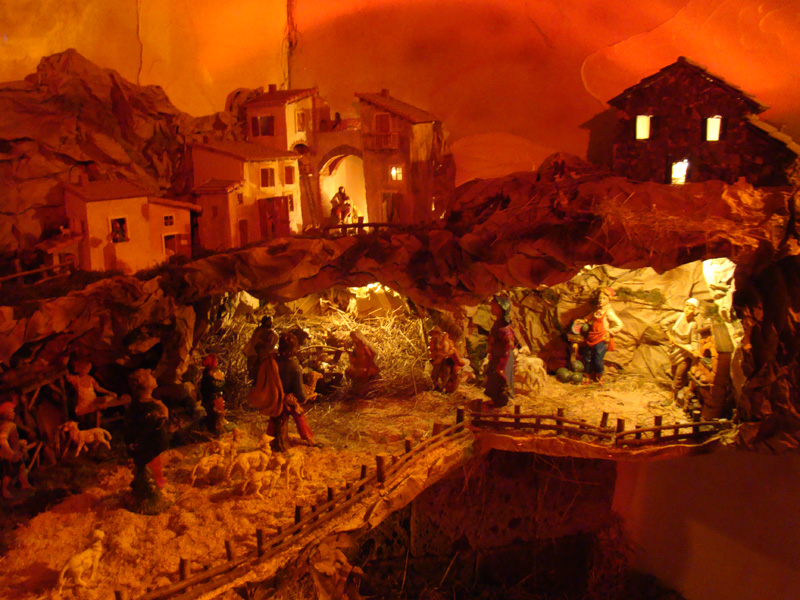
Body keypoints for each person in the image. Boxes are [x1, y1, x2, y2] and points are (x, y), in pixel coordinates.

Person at [124, 369, 170, 490]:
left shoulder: (138, 405)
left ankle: (152, 481)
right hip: (148, 447)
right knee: (150, 469)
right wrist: (164, 411)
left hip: (146, 447)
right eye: (150, 375)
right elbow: (160, 426)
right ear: (142, 382)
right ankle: (149, 486)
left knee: (154, 466)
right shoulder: (152, 408)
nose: (153, 376)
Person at [275, 332, 316, 447]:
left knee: (275, 419)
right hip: (288, 399)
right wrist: (304, 398)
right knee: (299, 416)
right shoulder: (295, 368)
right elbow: (298, 391)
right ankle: (309, 438)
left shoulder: (274, 363)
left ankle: (271, 437)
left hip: (276, 397)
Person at [582, 287, 623, 384]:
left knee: (597, 359)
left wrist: (609, 331)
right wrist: (583, 320)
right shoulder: (598, 309)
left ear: (609, 299)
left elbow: (620, 324)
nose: (601, 300)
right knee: (588, 357)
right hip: (592, 336)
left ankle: (600, 376)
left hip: (601, 338)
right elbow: (590, 316)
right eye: (600, 298)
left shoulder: (609, 311)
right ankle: (587, 375)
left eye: (604, 298)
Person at [665, 297, 700, 406]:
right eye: (686, 306)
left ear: (694, 310)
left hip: (685, 351)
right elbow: (663, 324)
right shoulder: (678, 317)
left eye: (691, 308)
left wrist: (695, 350)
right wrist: (670, 336)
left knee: (679, 375)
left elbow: (694, 340)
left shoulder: (693, 324)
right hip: (675, 349)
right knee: (674, 372)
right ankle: (676, 394)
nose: (687, 309)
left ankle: (671, 396)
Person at [484, 296, 517, 407]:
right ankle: (495, 400)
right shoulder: (498, 323)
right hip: (496, 356)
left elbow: (508, 344)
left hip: (503, 357)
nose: (491, 307)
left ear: (500, 308)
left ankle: (503, 402)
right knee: (493, 377)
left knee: (501, 378)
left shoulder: (505, 327)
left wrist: (502, 362)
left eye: (494, 305)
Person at [0, 401, 32, 499]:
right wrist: (10, 453)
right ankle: (4, 489)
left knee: (21, 468)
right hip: (10, 453)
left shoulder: (8, 424)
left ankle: (25, 485)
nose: (14, 413)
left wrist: (20, 443)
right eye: (11, 411)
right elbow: (2, 440)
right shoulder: (8, 426)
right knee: (9, 473)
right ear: (6, 414)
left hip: (15, 452)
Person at [428, 326, 466, 393]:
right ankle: (434, 384)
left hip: (447, 359)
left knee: (446, 371)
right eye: (433, 333)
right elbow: (433, 350)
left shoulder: (446, 341)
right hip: (439, 359)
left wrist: (443, 354)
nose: (434, 335)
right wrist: (435, 354)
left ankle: (444, 386)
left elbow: (448, 350)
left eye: (436, 333)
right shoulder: (433, 341)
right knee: (436, 371)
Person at [245, 316, 279, 381]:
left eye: (271, 322)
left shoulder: (272, 333)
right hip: (257, 353)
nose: (270, 323)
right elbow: (253, 342)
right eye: (269, 322)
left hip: (265, 353)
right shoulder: (259, 331)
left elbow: (274, 341)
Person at [199, 354, 226, 435]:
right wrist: (220, 381)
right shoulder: (207, 375)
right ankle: (216, 428)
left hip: (213, 397)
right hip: (210, 399)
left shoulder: (211, 373)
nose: (217, 362)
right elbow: (213, 387)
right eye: (215, 360)